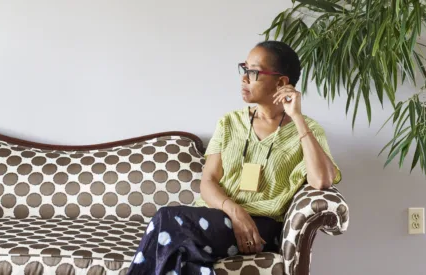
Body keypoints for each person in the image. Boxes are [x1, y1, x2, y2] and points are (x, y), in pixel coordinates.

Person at [127, 41, 341, 275]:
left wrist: (297, 118)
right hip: (219, 216)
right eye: (244, 68)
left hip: (262, 227)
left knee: (167, 219)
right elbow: (207, 181)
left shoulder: (308, 129)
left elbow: (321, 181)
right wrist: (236, 213)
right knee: (183, 253)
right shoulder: (229, 123)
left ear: (281, 82)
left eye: (254, 72)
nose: (244, 79)